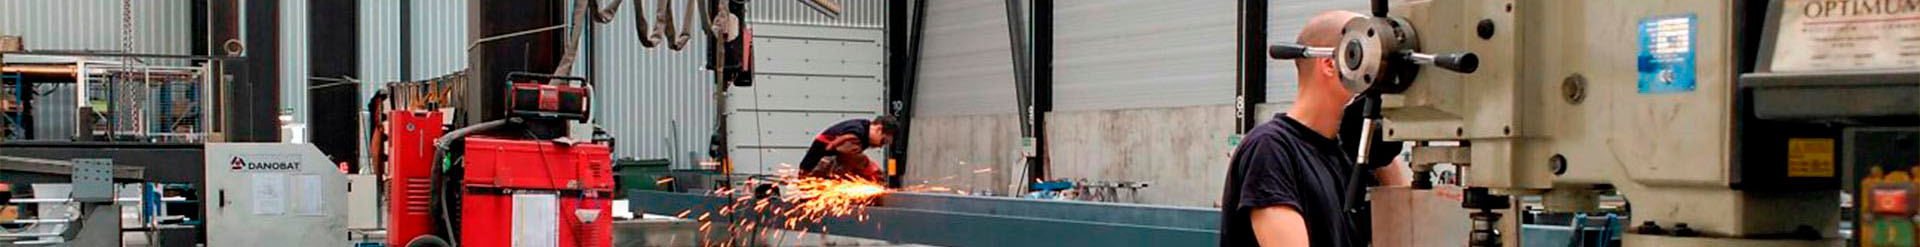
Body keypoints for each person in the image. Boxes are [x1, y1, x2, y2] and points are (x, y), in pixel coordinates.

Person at [1220, 10, 1408, 247]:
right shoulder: (1271, 150)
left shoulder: (1353, 156)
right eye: (1370, 62)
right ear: (1331, 64)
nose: (1379, 78)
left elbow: (1403, 232)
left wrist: (1381, 150)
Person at [797, 116, 898, 181]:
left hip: (822, 170)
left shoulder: (863, 129)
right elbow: (848, 155)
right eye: (883, 141)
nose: (881, 146)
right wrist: (872, 171)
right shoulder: (855, 134)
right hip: (814, 172)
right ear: (879, 129)